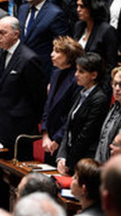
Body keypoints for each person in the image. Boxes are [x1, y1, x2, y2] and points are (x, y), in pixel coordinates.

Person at [0, 16, 45, 160]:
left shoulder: (29, 59)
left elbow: (38, 97)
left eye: (3, 33)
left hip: (19, 127)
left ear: (16, 34)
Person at [56, 53, 109, 175]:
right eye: (76, 70)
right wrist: (62, 156)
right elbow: (69, 127)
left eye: (81, 71)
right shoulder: (82, 93)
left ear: (94, 75)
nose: (76, 74)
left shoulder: (99, 99)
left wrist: (69, 162)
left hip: (84, 159)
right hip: (71, 157)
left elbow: (86, 134)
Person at [18, 0, 69, 78]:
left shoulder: (55, 14)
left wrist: (54, 77)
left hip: (42, 71)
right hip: (21, 68)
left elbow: (61, 48)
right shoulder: (22, 9)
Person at [40, 36, 82, 164]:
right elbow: (48, 106)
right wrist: (45, 134)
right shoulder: (56, 73)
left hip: (65, 140)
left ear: (69, 56)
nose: (52, 55)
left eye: (57, 52)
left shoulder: (77, 78)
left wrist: (57, 139)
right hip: (50, 137)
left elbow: (72, 113)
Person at [73, 0, 118, 72]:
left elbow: (111, 64)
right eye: (77, 6)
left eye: (82, 6)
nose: (78, 10)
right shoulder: (79, 26)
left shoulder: (107, 31)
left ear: (92, 8)